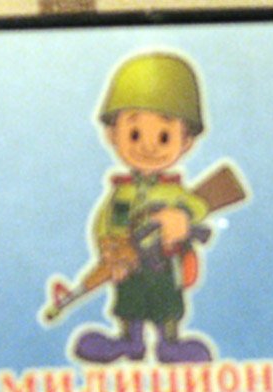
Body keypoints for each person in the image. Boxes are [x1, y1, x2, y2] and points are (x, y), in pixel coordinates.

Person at [74, 53, 214, 363]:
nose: (148, 147)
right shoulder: (120, 191)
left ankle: (169, 342)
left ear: (186, 141)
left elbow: (198, 206)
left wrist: (181, 219)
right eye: (134, 134)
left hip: (163, 263)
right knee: (130, 302)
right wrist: (109, 251)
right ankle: (130, 341)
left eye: (164, 136)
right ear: (113, 134)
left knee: (166, 303)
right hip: (129, 264)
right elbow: (103, 223)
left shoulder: (174, 190)